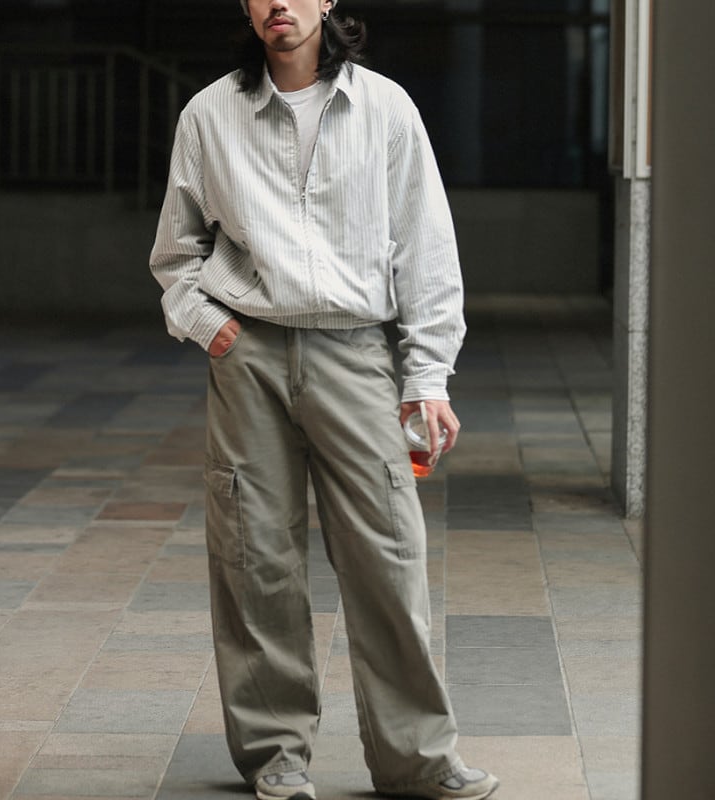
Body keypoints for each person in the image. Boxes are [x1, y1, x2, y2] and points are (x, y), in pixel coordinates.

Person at [149, 1, 499, 799]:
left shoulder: (386, 109)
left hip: (356, 354)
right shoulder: (210, 114)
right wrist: (214, 330)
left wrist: (427, 376)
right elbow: (177, 252)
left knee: (389, 554)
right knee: (255, 558)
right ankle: (276, 755)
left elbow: (426, 247)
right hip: (250, 357)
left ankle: (416, 759)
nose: (280, 2)